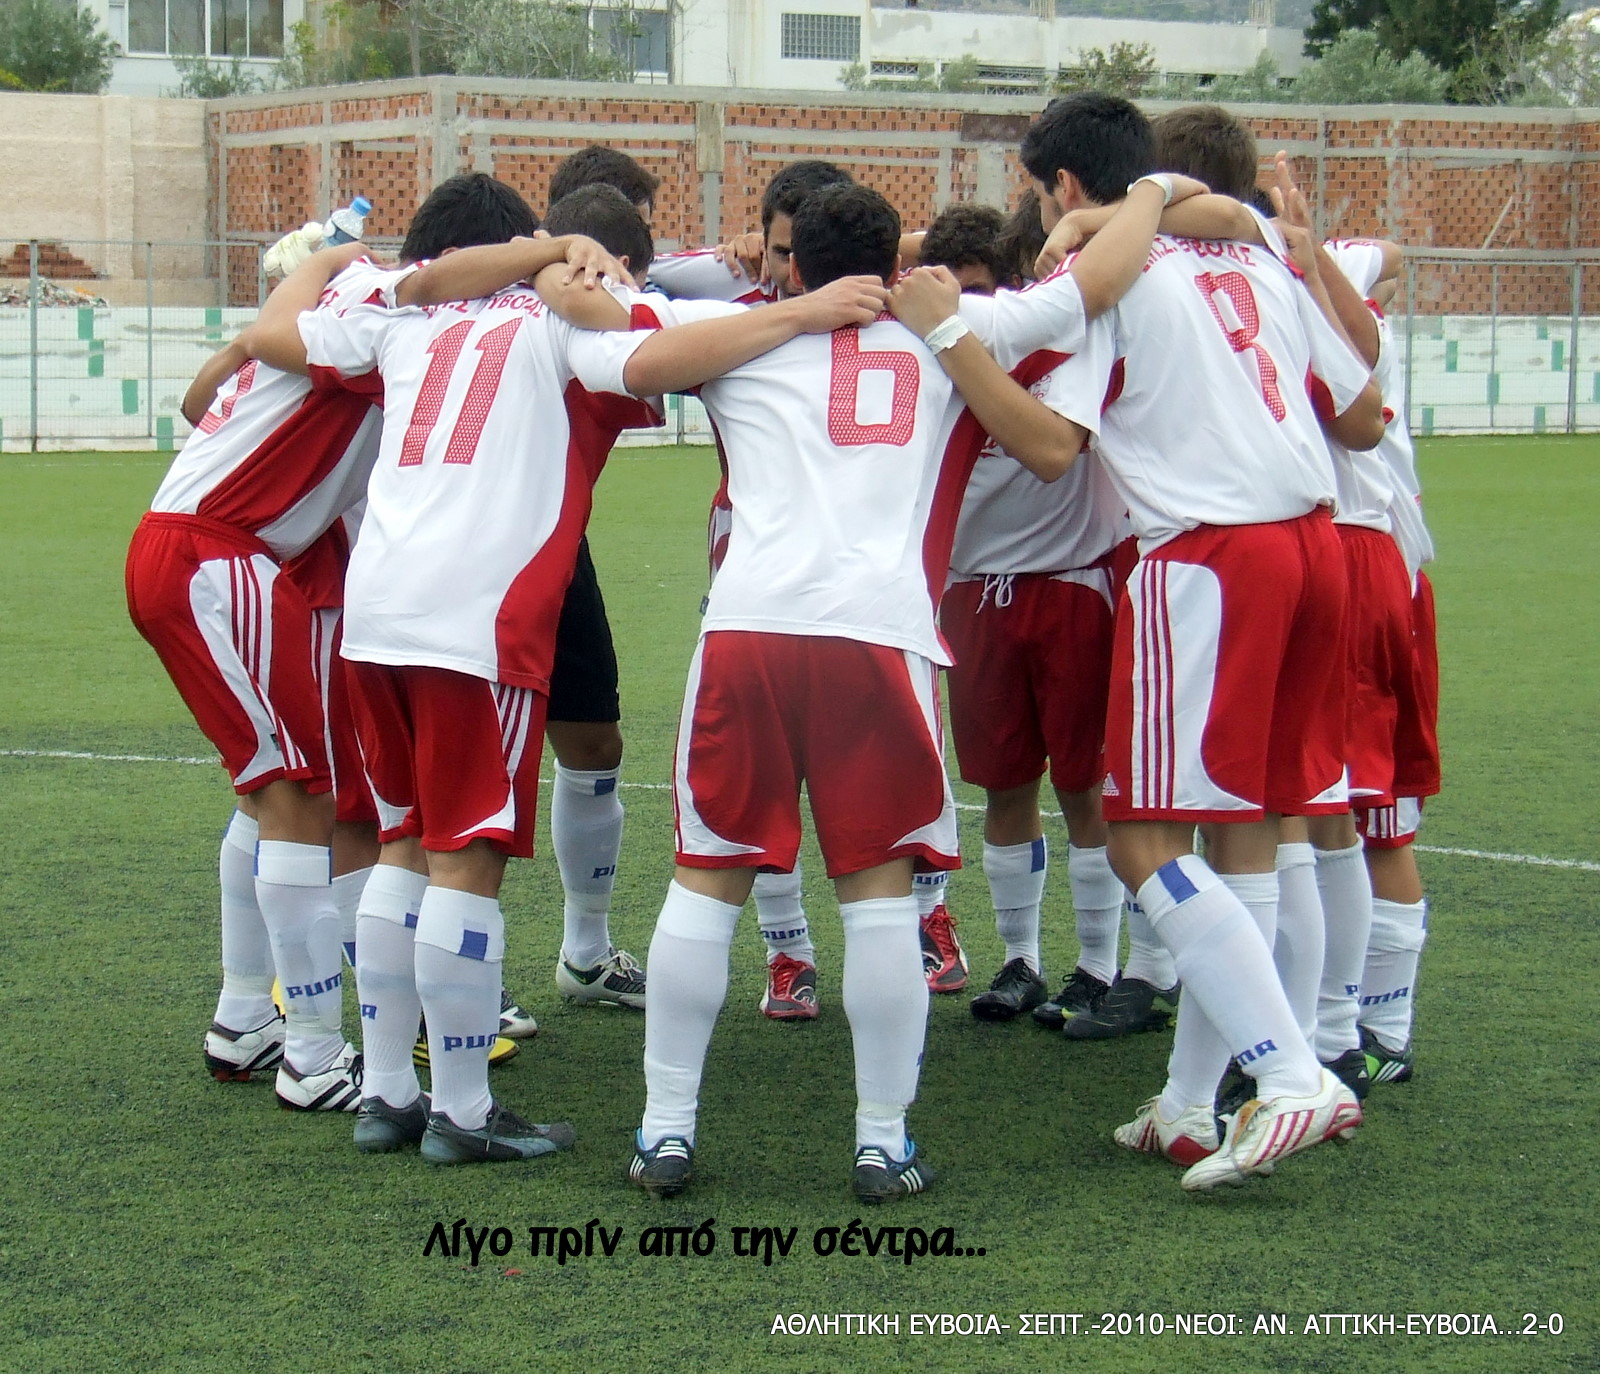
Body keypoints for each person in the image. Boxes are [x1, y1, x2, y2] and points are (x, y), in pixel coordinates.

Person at [254, 175, 890, 1165]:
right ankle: (464, 1112)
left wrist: (367, 261)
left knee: (401, 843)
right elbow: (654, 354)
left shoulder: (404, 317)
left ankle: (386, 1091)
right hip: (480, 615)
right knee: (465, 857)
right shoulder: (560, 315)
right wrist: (796, 311)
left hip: (376, 609)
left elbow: (283, 333)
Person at [622, 175, 1201, 1203]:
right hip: (880, 638)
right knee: (879, 895)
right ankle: (881, 1143)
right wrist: (1151, 193)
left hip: (748, 628)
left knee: (706, 879)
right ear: (899, 260)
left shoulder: (739, 335)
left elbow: (630, 345)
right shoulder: (956, 327)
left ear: (793, 261)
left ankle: (665, 1130)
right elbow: (1091, 289)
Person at [989, 92, 1385, 1191]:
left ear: (1066, 188)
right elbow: (1360, 417)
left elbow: (1052, 448)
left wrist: (953, 345)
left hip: (1208, 559)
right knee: (1243, 832)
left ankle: (1290, 1074)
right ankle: (1185, 1104)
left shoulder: (1105, 278)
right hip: (1316, 546)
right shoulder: (1255, 255)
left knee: (1144, 837)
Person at [921, 201, 1161, 1026]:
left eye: (981, 290)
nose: (968, 308)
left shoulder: (1060, 340)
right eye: (954, 292)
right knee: (1005, 785)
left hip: (1073, 580)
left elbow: (1057, 453)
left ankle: (1096, 964)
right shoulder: (922, 346)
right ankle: (1020, 959)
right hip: (974, 589)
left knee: (1086, 786)